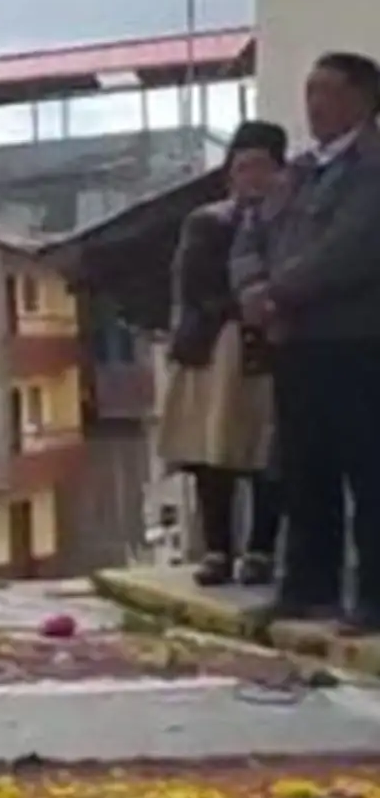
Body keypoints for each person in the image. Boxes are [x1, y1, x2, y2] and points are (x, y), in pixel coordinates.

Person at [234, 51, 380, 632]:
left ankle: (373, 599)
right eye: (310, 91)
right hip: (296, 343)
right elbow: (249, 234)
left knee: (368, 470)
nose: (314, 104)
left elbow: (351, 249)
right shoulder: (296, 172)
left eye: (327, 91)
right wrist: (251, 289)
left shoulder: (372, 168)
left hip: (357, 340)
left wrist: (277, 293)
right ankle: (307, 588)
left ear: (362, 99)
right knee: (303, 468)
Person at [159, 121, 288, 588]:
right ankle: (218, 549)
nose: (252, 177)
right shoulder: (208, 222)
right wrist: (245, 305)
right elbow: (194, 285)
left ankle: (261, 550)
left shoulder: (290, 221)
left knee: (267, 454)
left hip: (272, 349)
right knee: (213, 455)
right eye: (243, 167)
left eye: (262, 167)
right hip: (217, 350)